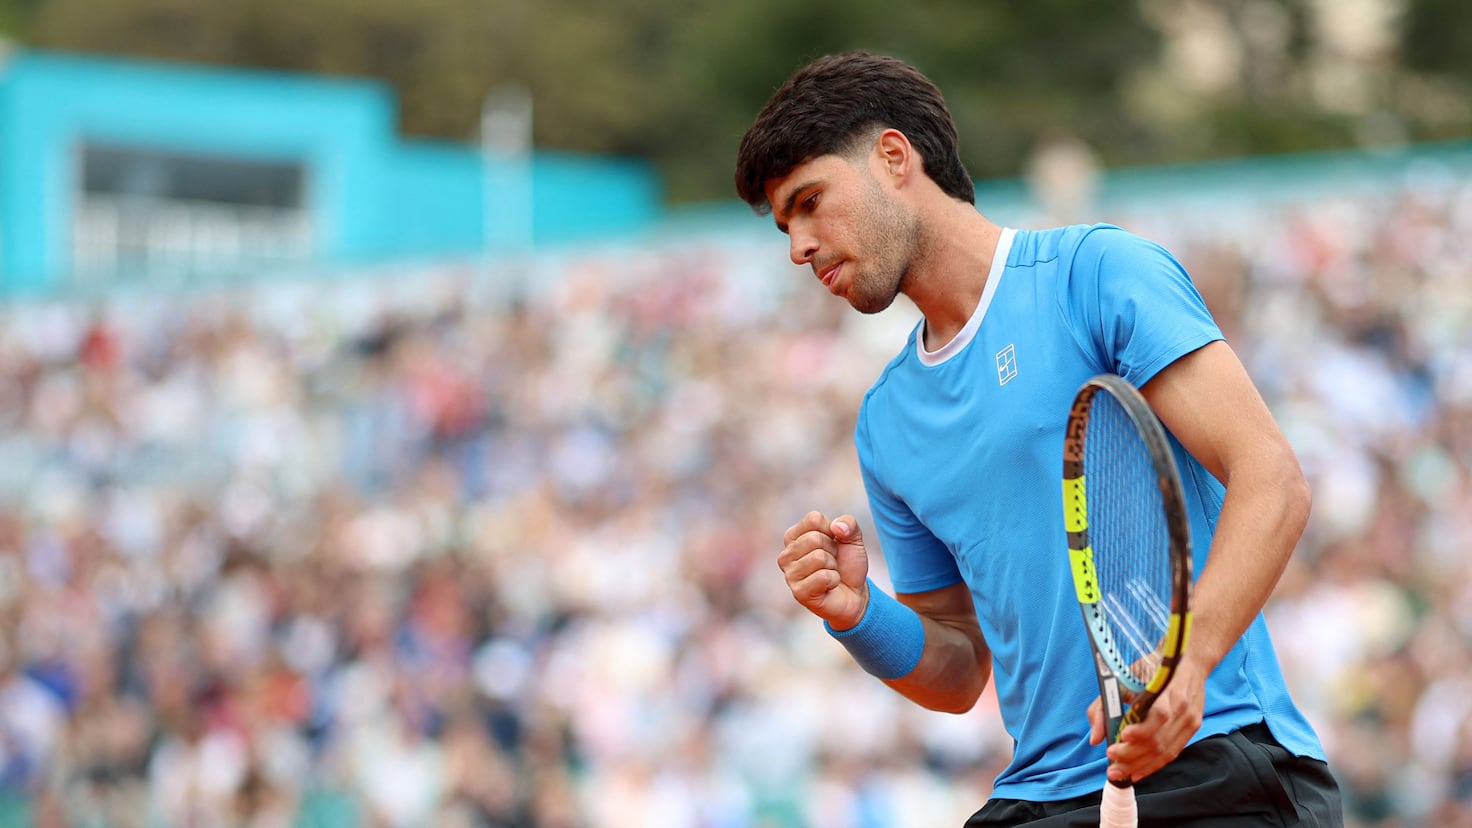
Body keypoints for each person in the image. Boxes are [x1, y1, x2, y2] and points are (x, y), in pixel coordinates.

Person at [734, 50, 1343, 827]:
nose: (800, 246)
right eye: (787, 224)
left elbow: (1273, 478)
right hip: (1044, 795)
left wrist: (1186, 666)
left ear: (894, 157)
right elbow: (958, 671)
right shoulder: (885, 422)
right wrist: (858, 614)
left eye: (810, 201)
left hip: (1216, 760)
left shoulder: (1095, 274)